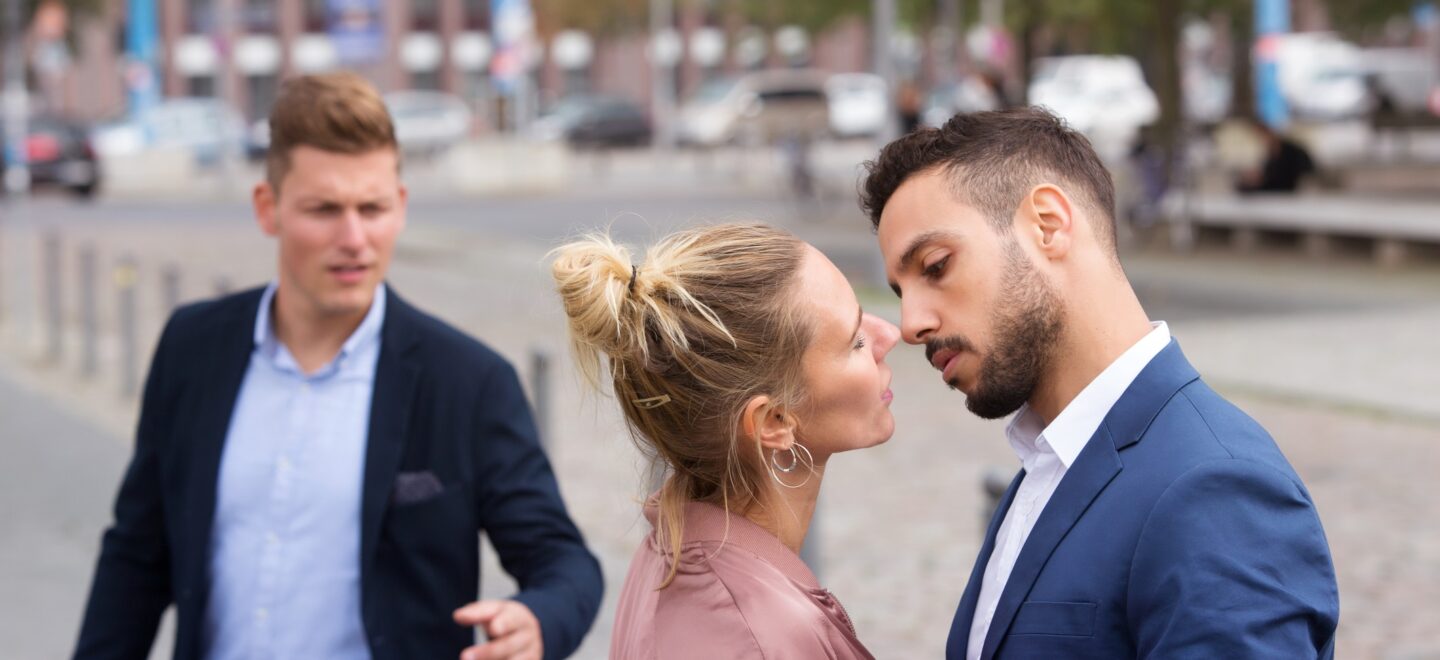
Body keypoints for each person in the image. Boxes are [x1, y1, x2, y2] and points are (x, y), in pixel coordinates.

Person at [73, 73, 603, 660]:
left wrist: (537, 620)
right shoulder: (192, 347)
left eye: (371, 208)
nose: (354, 237)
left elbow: (564, 561)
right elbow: (136, 557)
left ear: (400, 207)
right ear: (267, 208)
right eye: (324, 209)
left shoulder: (468, 381)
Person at [860, 107, 1339, 659]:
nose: (911, 324)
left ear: (1048, 224)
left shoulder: (1218, 490)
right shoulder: (1048, 465)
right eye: (900, 291)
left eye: (936, 265)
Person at [549, 224, 898, 659]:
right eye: (856, 341)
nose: (890, 334)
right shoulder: (763, 639)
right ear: (774, 421)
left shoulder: (674, 545)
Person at [1237, 120, 1317, 193]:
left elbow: (1304, 180)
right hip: (1275, 196)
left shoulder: (1294, 153)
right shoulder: (1268, 154)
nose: (1261, 140)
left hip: (1291, 197)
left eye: (1261, 135)